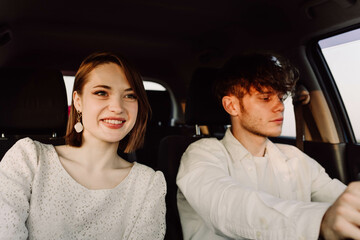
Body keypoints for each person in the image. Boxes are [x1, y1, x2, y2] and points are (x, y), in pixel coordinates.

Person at [176, 53, 360, 240]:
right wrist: (321, 221)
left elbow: (339, 198)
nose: (280, 107)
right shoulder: (201, 155)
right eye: (265, 98)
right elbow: (228, 206)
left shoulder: (294, 157)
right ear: (232, 106)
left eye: (280, 98)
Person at [0, 52, 166, 239]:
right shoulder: (29, 159)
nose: (118, 107)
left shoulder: (148, 183)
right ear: (78, 101)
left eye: (130, 95)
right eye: (101, 93)